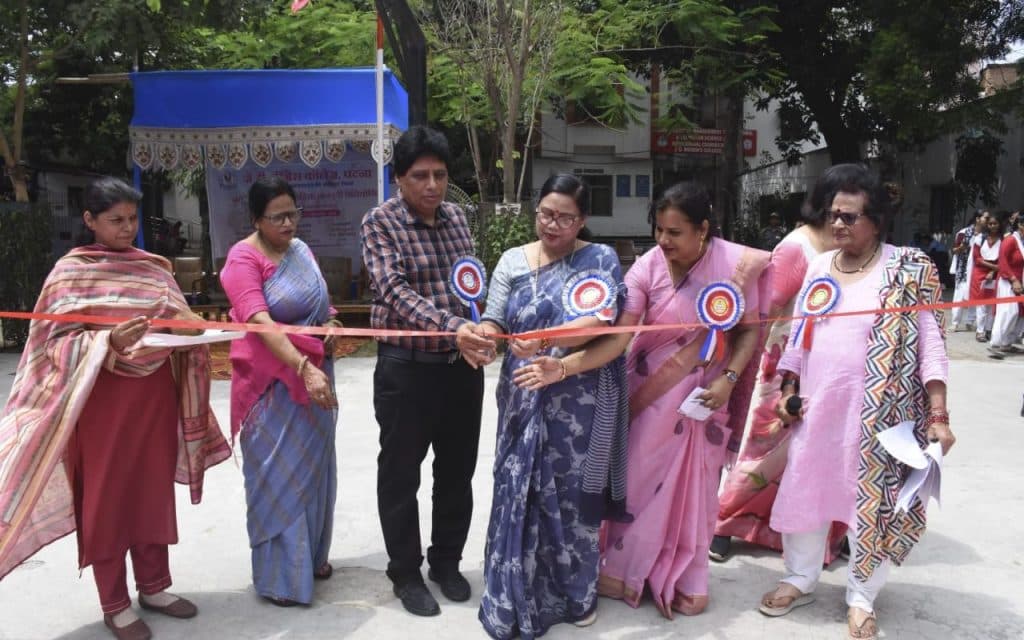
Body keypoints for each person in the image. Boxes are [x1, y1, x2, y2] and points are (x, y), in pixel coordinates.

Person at [518, 181, 770, 619]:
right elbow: (618, 335)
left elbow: (748, 331)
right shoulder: (647, 268)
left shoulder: (736, 266)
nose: (663, 240)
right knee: (637, 485)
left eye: (675, 232)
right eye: (659, 230)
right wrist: (559, 359)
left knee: (695, 493)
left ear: (703, 230)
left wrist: (729, 380)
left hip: (705, 401)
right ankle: (627, 571)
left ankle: (686, 576)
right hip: (648, 400)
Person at [0, 177, 230, 640]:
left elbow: (179, 318)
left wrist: (192, 328)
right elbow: (50, 345)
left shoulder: (153, 268)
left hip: (153, 397)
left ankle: (154, 586)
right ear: (90, 220)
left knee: (151, 491)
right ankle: (115, 603)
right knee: (106, 499)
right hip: (101, 403)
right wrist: (107, 341)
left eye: (132, 219)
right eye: (115, 220)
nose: (127, 228)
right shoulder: (69, 273)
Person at [758, 164, 954, 640]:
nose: (838, 224)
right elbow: (800, 336)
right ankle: (800, 577)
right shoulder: (821, 266)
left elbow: (931, 344)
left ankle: (862, 596)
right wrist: (788, 391)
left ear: (877, 220)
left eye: (850, 216)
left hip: (880, 419)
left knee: (874, 504)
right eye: (833, 215)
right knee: (806, 488)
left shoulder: (907, 268)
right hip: (818, 409)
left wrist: (938, 414)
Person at [476, 174, 630, 639]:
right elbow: (494, 318)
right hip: (522, 395)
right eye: (546, 213)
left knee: (569, 497)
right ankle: (513, 591)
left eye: (566, 217)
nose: (553, 224)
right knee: (516, 489)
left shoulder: (599, 259)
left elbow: (599, 321)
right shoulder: (512, 260)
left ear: (582, 220)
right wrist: (484, 337)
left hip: (577, 399)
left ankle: (574, 594)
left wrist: (546, 343)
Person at [361, 125, 497, 617]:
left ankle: (446, 563)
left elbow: (470, 284)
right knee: (401, 475)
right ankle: (405, 572)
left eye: (440, 174)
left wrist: (481, 329)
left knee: (457, 472)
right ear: (399, 178)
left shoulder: (457, 218)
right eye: (420, 176)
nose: (432, 185)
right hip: (407, 370)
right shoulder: (380, 223)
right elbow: (393, 290)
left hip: (460, 368)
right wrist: (454, 327)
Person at [711, 166, 846, 564]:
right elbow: (764, 313)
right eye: (840, 207)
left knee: (816, 455)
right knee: (763, 452)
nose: (846, 217)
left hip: (829, 369)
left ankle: (812, 533)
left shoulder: (848, 253)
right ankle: (724, 522)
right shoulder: (796, 248)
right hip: (785, 368)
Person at [219, 177, 340, 607]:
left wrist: (332, 324)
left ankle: (312, 557)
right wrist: (303, 368)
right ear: (256, 219)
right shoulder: (242, 259)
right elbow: (260, 322)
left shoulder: (301, 250)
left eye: (293, 214)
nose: (289, 224)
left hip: (316, 376)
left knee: (315, 470)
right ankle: (281, 578)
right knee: (277, 477)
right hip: (272, 386)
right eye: (278, 217)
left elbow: (322, 303)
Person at [987, 211, 1024, 358]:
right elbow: (1002, 262)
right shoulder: (1010, 241)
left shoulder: (1021, 242)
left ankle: (1006, 343)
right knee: (1008, 312)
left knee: (1016, 314)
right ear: (1020, 225)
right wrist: (1013, 280)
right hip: (1007, 281)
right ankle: (995, 344)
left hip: (1018, 282)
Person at [971, 212, 1004, 342]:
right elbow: (977, 258)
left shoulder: (1003, 240)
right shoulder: (980, 238)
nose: (992, 226)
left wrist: (994, 271)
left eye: (995, 223)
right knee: (981, 304)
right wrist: (993, 267)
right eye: (990, 224)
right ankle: (980, 331)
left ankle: (989, 330)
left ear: (999, 224)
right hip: (980, 273)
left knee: (991, 303)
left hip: (995, 274)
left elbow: (1003, 259)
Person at [949, 211, 984, 332]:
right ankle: (955, 323)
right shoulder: (964, 233)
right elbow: (954, 250)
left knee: (975, 295)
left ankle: (970, 321)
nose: (988, 220)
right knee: (959, 296)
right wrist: (962, 247)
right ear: (978, 219)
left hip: (978, 269)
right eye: (985, 218)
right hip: (963, 269)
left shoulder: (985, 235)